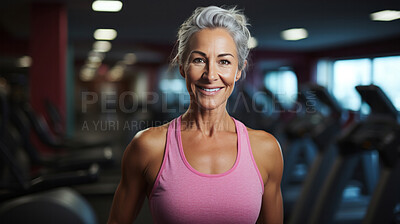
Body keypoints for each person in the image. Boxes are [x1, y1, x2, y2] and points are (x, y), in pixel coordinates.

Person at [108, 5, 283, 224]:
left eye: (224, 61)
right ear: (182, 66)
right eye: (199, 60)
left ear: (239, 70)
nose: (211, 75)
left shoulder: (266, 149)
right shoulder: (148, 146)